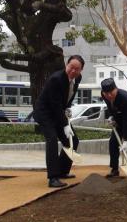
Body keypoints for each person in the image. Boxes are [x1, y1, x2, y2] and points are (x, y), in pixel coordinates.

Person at [33, 55, 84, 188]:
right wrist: (65, 125)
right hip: (45, 113)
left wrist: (68, 107)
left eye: (77, 69)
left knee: (73, 140)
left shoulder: (78, 78)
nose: (73, 71)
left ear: (81, 70)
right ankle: (53, 177)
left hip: (59, 112)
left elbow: (70, 94)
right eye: (71, 67)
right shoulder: (56, 79)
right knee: (52, 139)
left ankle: (62, 171)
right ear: (67, 65)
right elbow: (54, 104)